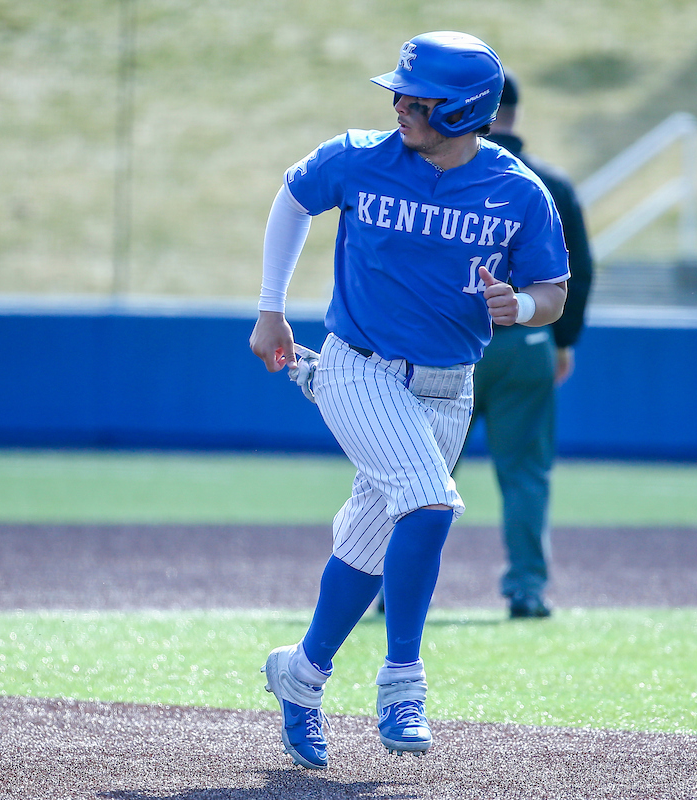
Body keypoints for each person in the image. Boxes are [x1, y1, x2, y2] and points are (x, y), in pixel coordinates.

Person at [248, 31, 570, 770]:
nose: (399, 104)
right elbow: (293, 199)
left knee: (368, 544)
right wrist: (271, 308)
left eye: (419, 97)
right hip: (357, 368)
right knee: (429, 505)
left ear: (466, 111)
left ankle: (299, 675)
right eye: (398, 90)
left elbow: (553, 293)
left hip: (448, 388)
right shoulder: (360, 156)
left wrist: (517, 307)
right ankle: (402, 684)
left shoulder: (519, 191)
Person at [473, 73, 594, 619]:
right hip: (526, 341)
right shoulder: (549, 182)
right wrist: (563, 340)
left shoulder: (447, 174)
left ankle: (386, 584)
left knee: (417, 472)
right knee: (524, 472)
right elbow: (579, 271)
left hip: (448, 344)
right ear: (517, 113)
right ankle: (526, 587)